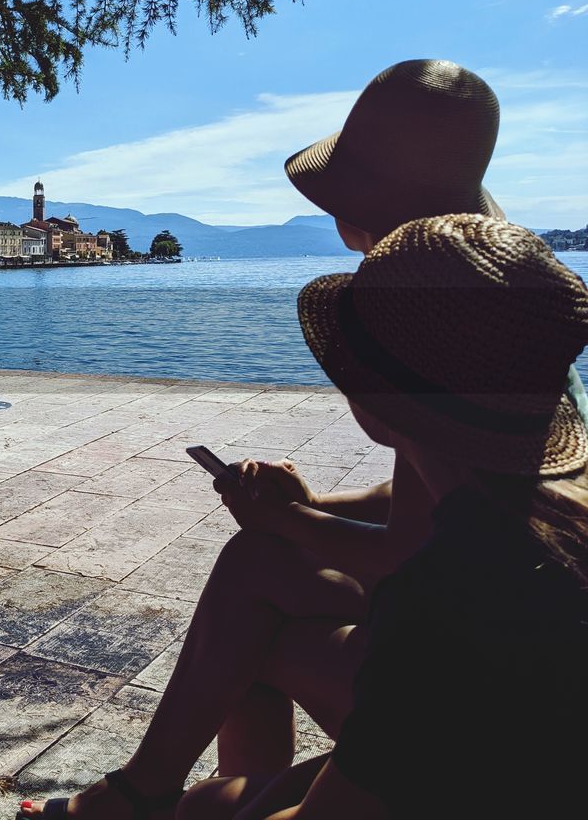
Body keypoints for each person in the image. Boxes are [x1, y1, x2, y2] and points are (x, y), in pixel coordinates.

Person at [16, 61, 586, 819]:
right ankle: (187, 795)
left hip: (494, 727)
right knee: (257, 576)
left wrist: (287, 520)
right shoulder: (507, 318)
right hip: (526, 679)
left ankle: (163, 797)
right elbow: (440, 504)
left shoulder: (431, 324)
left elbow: (416, 556)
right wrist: (313, 505)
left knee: (250, 617)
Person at [175, 214, 588, 818]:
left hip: (491, 775)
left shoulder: (443, 597)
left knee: (204, 810)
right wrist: (302, 510)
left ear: (370, 400)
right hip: (522, 761)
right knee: (216, 798)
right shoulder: (543, 517)